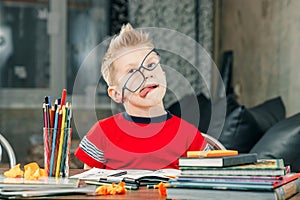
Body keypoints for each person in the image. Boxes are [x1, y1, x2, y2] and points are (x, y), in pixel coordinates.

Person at [75, 23, 210, 170]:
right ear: (116, 94)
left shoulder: (189, 135)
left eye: (151, 65)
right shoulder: (102, 133)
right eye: (132, 71)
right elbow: (88, 185)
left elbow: (207, 183)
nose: (146, 74)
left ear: (163, 75)